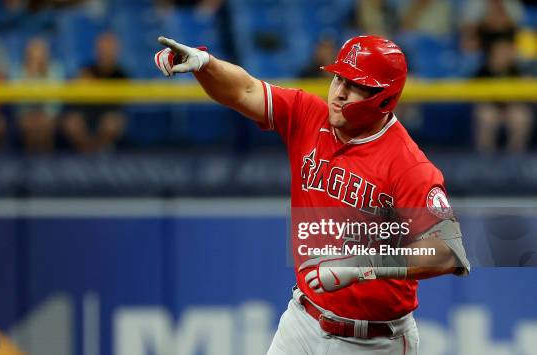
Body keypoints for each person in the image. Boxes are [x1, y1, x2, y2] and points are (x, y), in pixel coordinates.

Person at [154, 35, 470, 354]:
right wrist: (206, 66)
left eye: (355, 84)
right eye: (338, 78)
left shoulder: (407, 164)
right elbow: (245, 89)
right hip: (303, 321)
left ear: (384, 97)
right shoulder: (309, 115)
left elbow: (448, 251)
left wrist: (360, 266)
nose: (339, 92)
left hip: (374, 341)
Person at [61, 32, 128, 153]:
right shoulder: (86, 70)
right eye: (103, 48)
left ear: (116, 51)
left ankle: (100, 151)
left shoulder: (121, 74)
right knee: (72, 122)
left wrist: (95, 84)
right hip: (86, 112)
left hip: (108, 114)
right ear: (97, 50)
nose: (106, 52)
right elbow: (72, 91)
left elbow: (121, 105)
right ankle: (86, 152)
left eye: (109, 48)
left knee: (111, 123)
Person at [12, 37, 63, 154]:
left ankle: (48, 164)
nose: (36, 58)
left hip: (48, 112)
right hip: (26, 112)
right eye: (32, 54)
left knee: (45, 126)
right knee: (30, 125)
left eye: (39, 54)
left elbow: (56, 99)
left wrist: (43, 74)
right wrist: (30, 74)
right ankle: (29, 165)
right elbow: (18, 101)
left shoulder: (55, 69)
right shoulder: (18, 70)